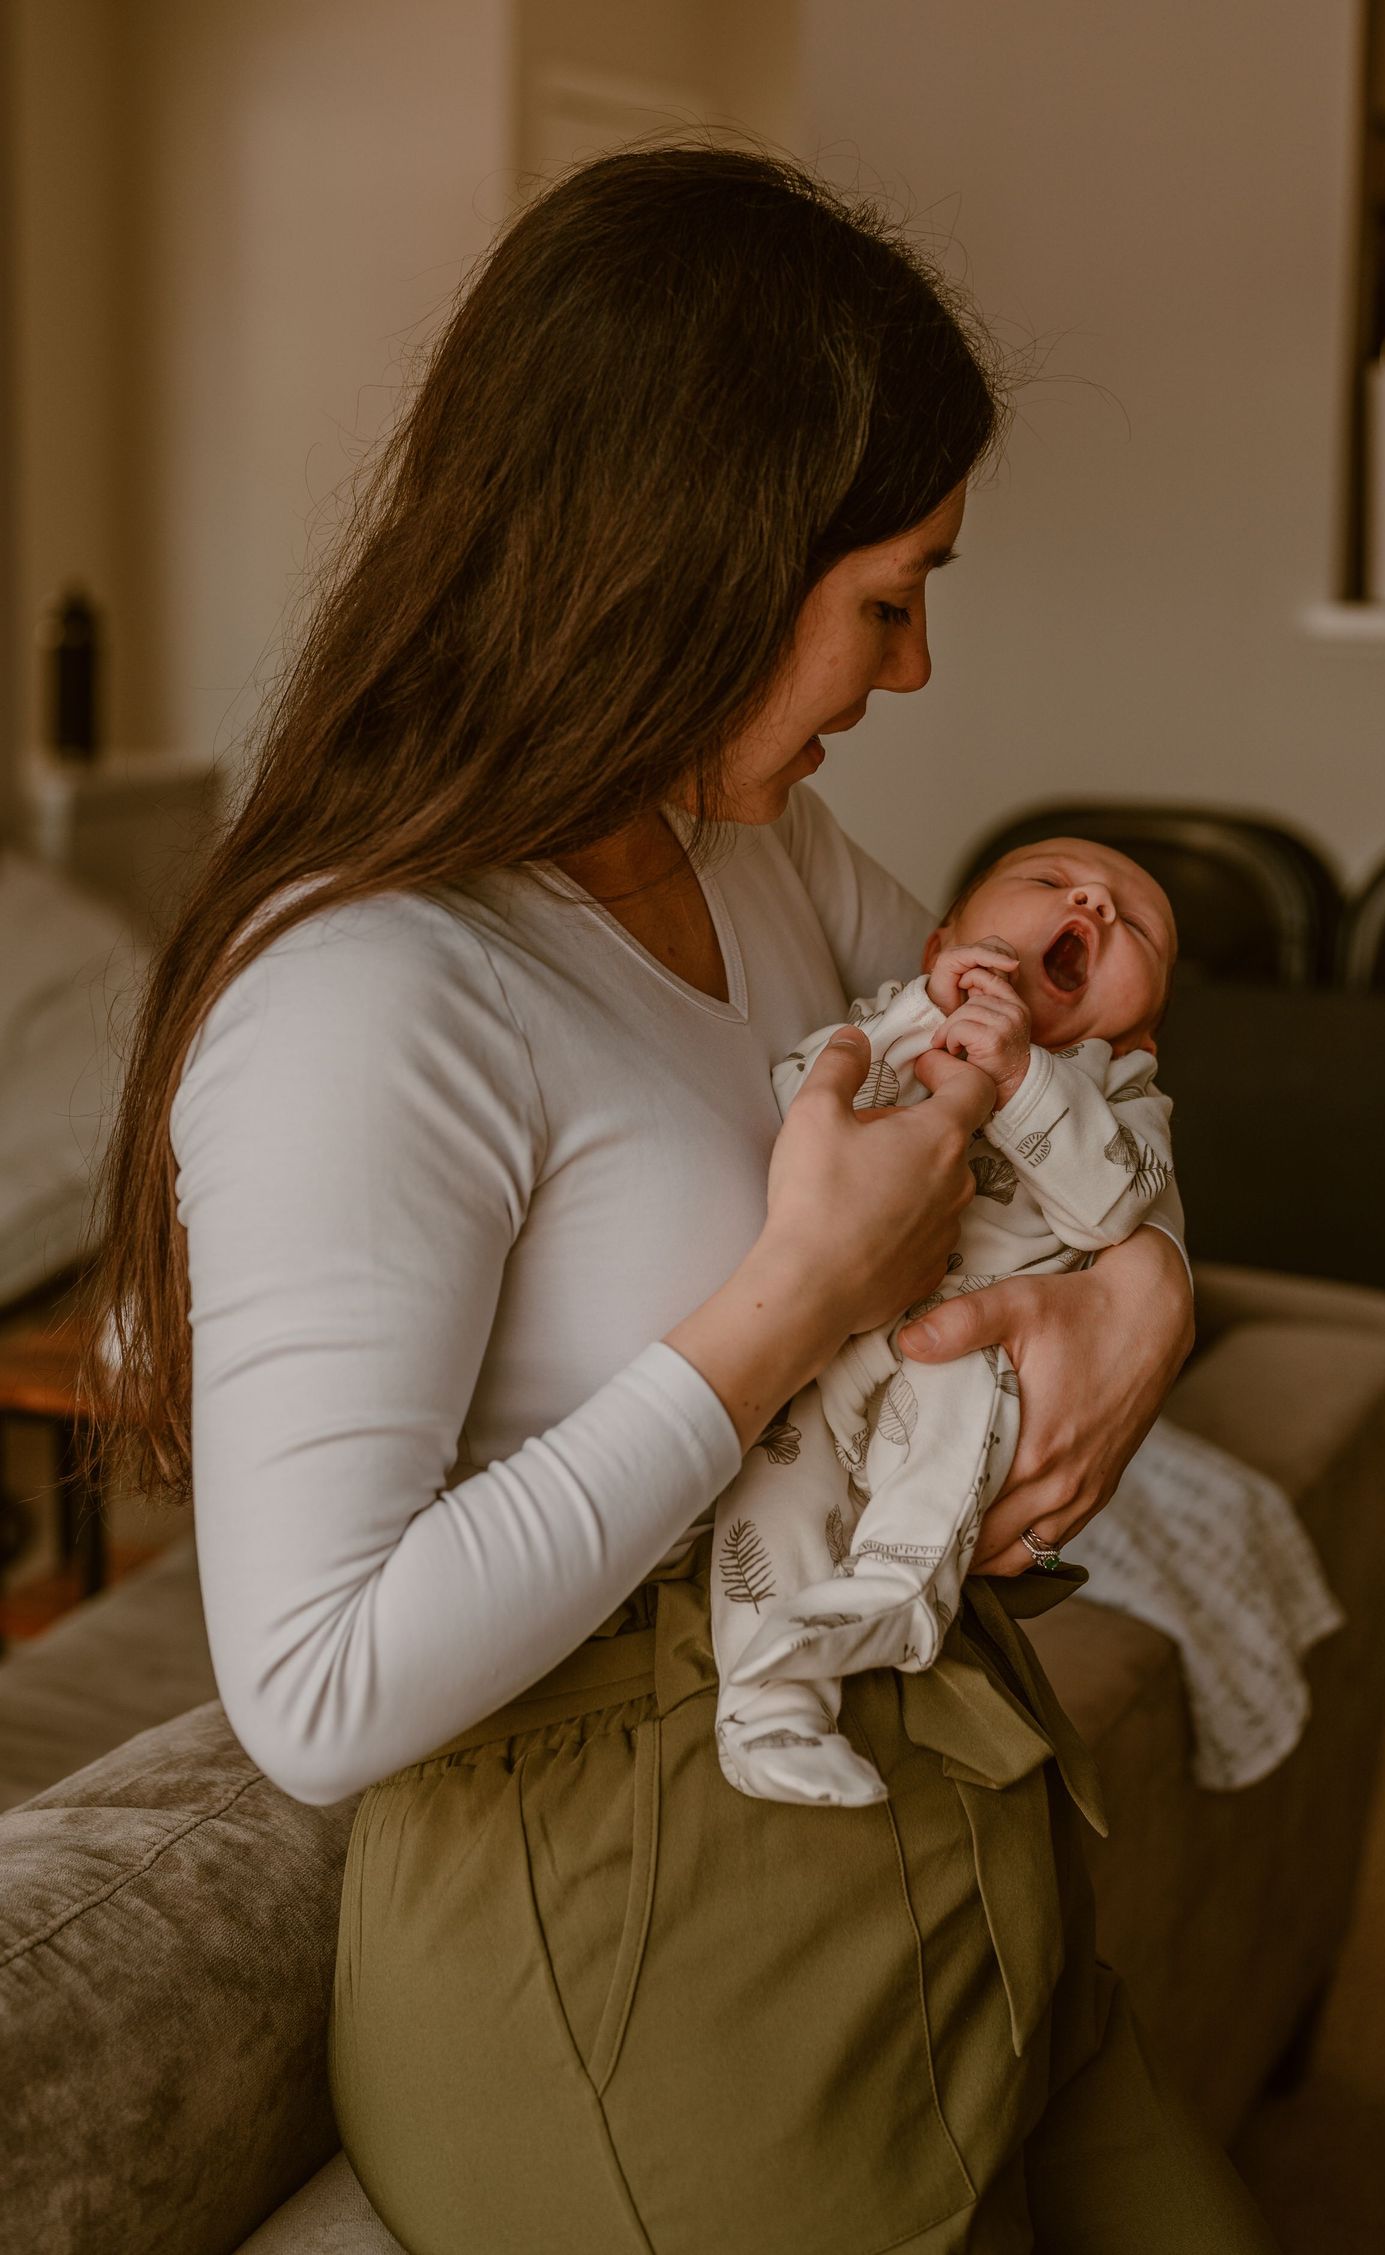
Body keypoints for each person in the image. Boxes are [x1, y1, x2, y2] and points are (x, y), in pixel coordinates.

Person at [88, 149, 1277, 2252]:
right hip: (655, 1960)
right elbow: (316, 1679)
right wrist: (802, 1285)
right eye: (888, 595)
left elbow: (1058, 1104)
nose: (909, 676)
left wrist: (1152, 1286)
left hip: (960, 1844)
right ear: (701, 551)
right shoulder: (370, 989)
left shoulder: (757, 862)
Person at [713, 840, 1180, 1809]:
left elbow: (1115, 1205)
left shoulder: (1120, 1091)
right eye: (1049, 880)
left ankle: (891, 1596)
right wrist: (926, 1014)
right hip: (823, 1354)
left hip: (971, 1348)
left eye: (1136, 925)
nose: (1093, 896)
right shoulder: (886, 1024)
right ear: (941, 946)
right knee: (768, 1499)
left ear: (1138, 1035)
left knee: (951, 1424)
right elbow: (793, 1104)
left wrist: (1023, 1074)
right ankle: (769, 1711)